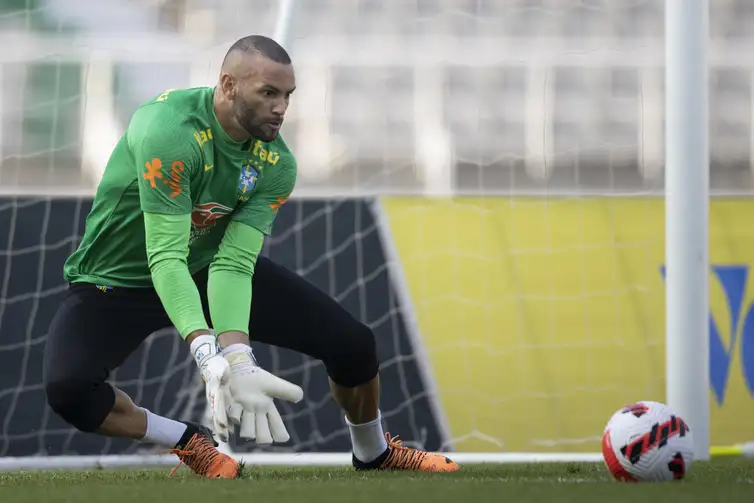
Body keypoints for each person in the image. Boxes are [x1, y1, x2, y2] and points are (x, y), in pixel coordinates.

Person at [43, 35, 459, 479]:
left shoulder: (276, 164)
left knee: (353, 345)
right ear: (228, 86)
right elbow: (164, 257)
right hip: (116, 281)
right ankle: (187, 440)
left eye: (287, 96)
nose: (281, 108)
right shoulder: (168, 129)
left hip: (206, 267)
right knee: (69, 390)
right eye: (268, 93)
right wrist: (208, 353)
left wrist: (238, 357)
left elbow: (234, 263)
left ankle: (373, 452)